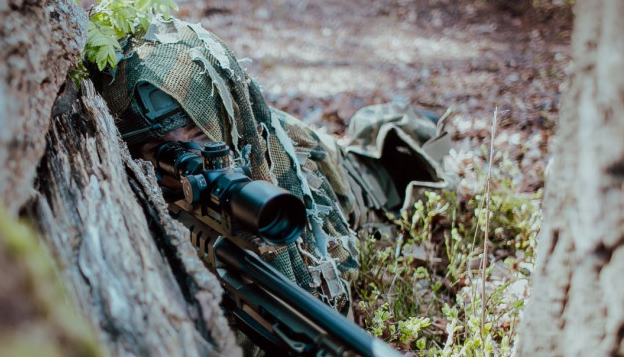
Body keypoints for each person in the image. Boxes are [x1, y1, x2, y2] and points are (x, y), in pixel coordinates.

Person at [92, 17, 453, 313]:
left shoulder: (273, 167)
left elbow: (336, 276)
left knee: (404, 146)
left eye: (200, 136)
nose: (188, 160)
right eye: (160, 149)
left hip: (353, 177)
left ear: (221, 122)